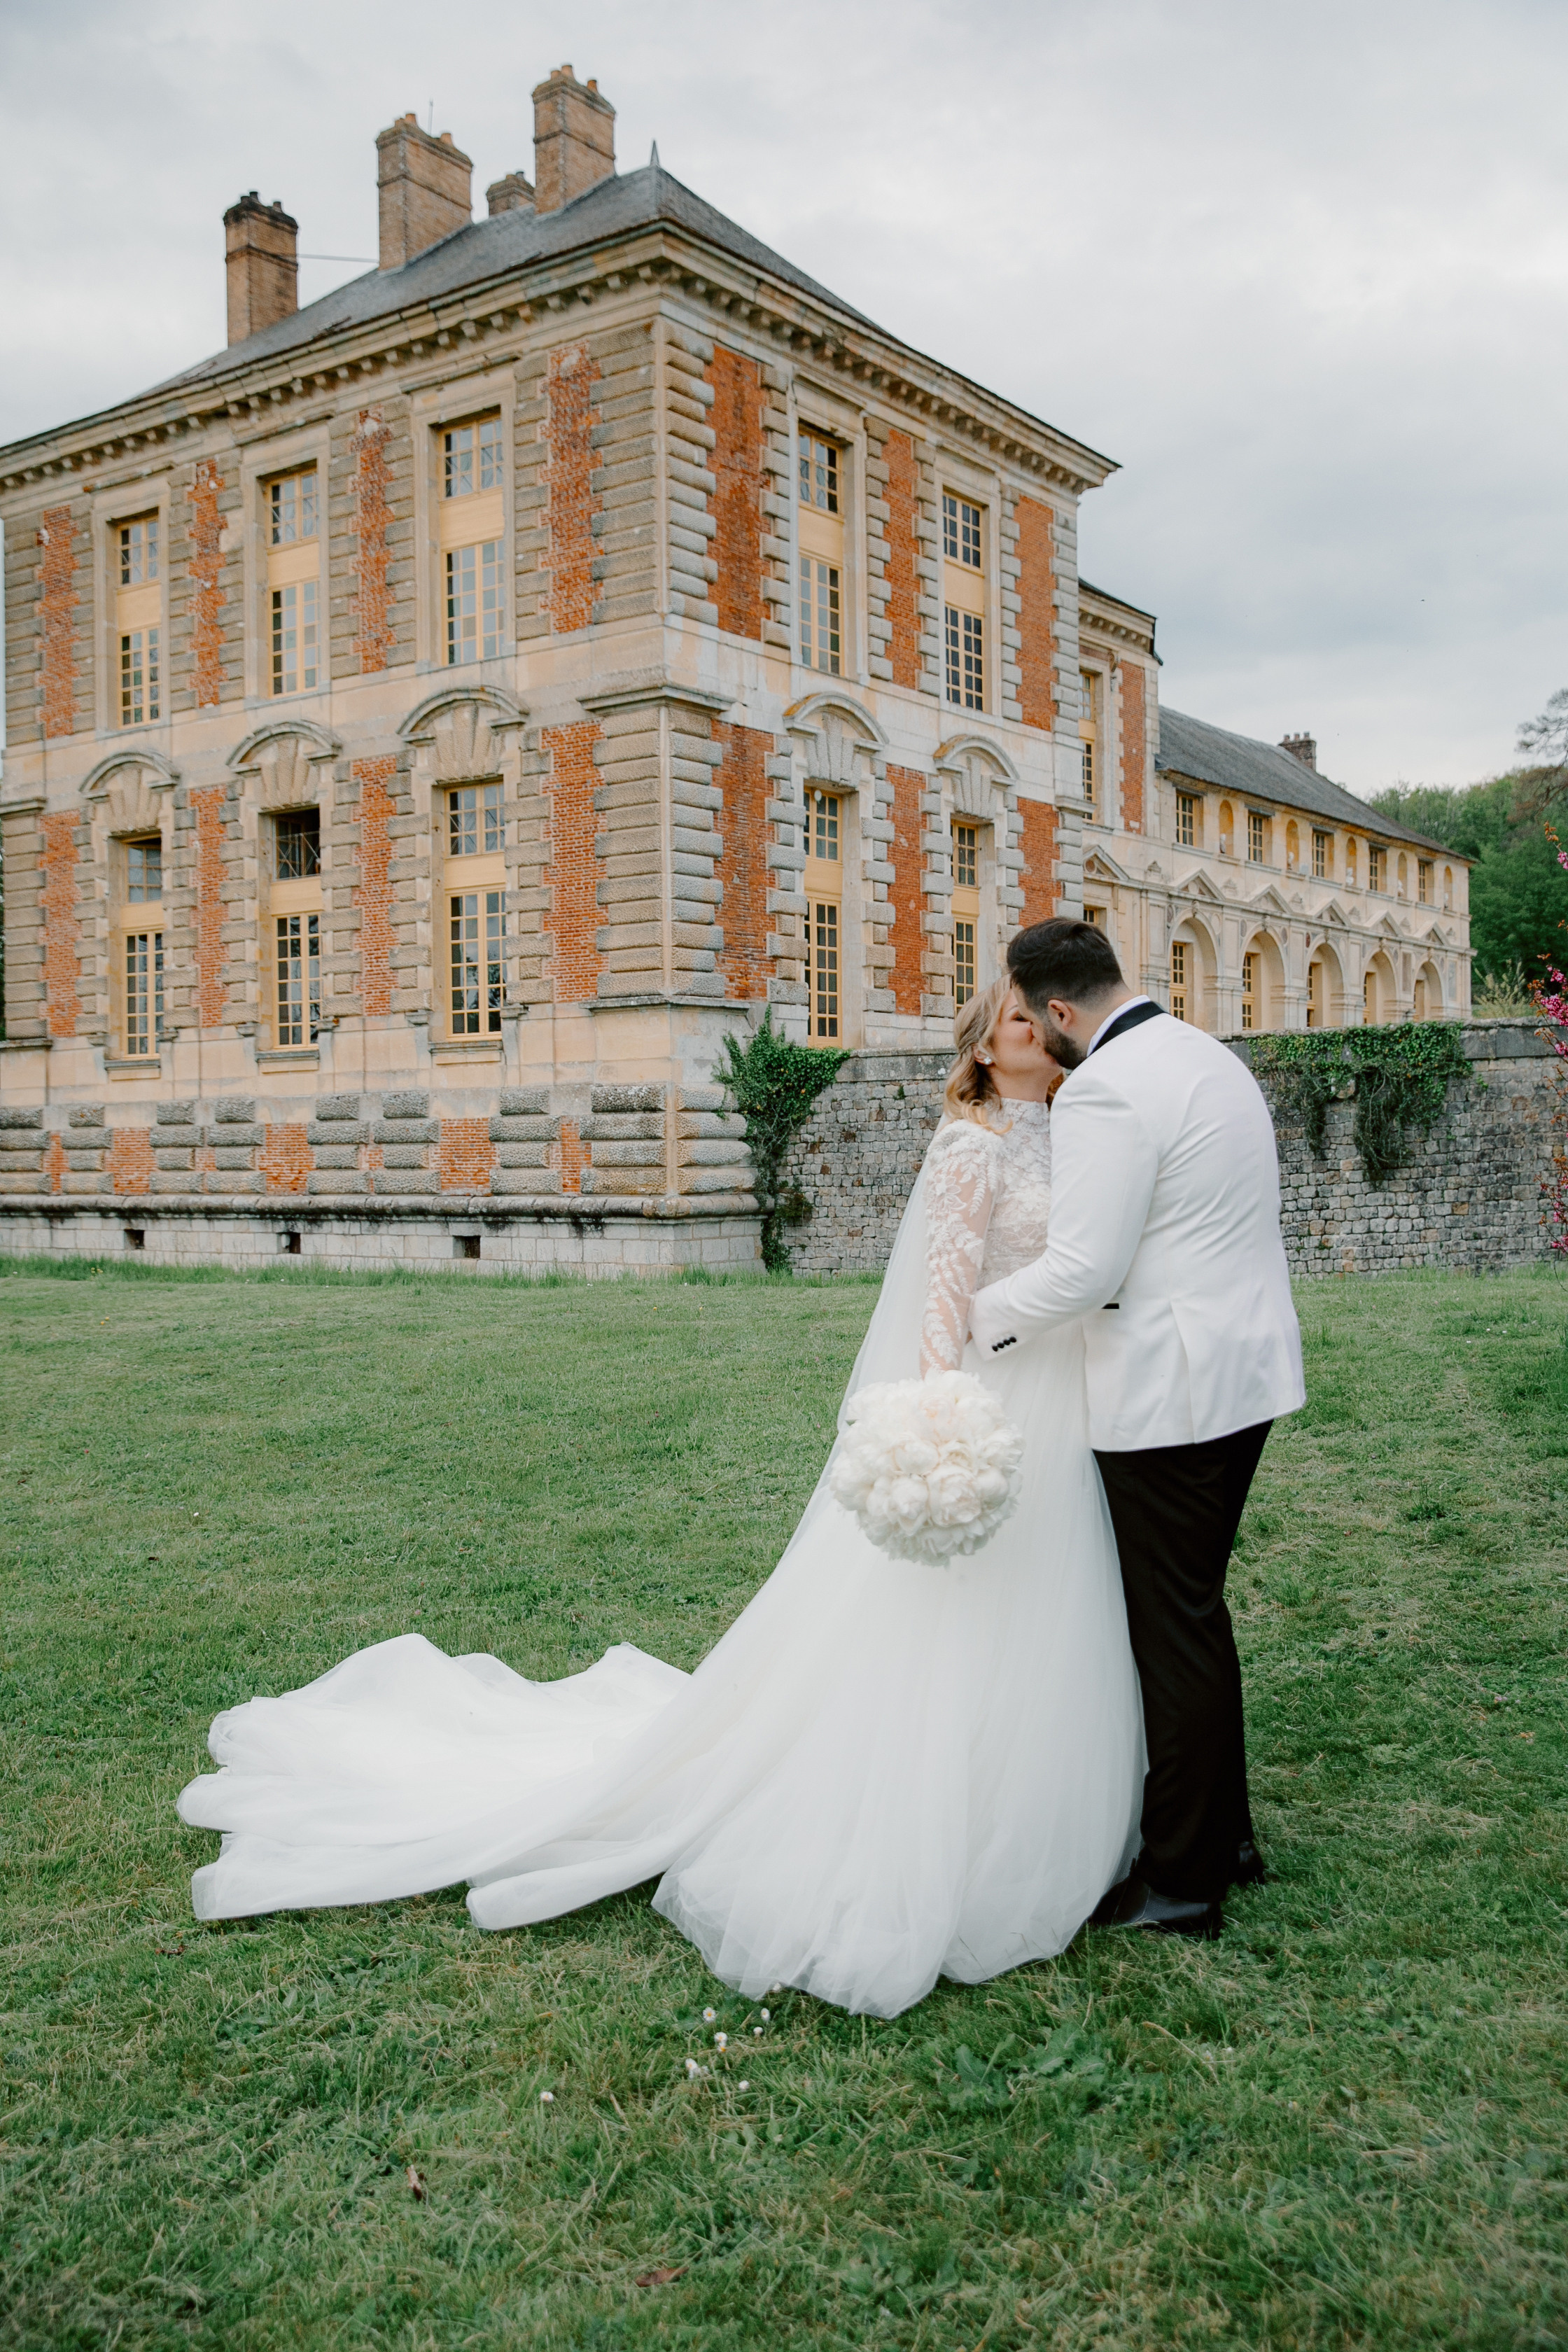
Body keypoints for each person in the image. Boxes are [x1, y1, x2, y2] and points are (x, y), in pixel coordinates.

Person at [178, 981, 1143, 2019]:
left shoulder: (1074, 1131)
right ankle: (933, 1817)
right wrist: (939, 1423)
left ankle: (1034, 1805)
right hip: (985, 1405)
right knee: (944, 1617)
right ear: (985, 1052)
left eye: (1043, 1017)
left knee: (1044, 1605)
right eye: (1016, 1021)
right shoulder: (970, 1147)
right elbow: (939, 1304)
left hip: (1061, 1404)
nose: (1040, 1029)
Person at [969, 920, 1306, 1939]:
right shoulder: (1204, 1054)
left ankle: (1181, 1882)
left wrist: (973, 1322)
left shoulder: (1106, 1088)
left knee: (1171, 1628)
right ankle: (1225, 1839)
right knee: (1194, 1613)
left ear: (1057, 1011)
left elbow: (1084, 1270)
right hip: (1243, 1373)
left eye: (1029, 1018)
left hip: (1173, 1391)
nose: (1032, 1035)